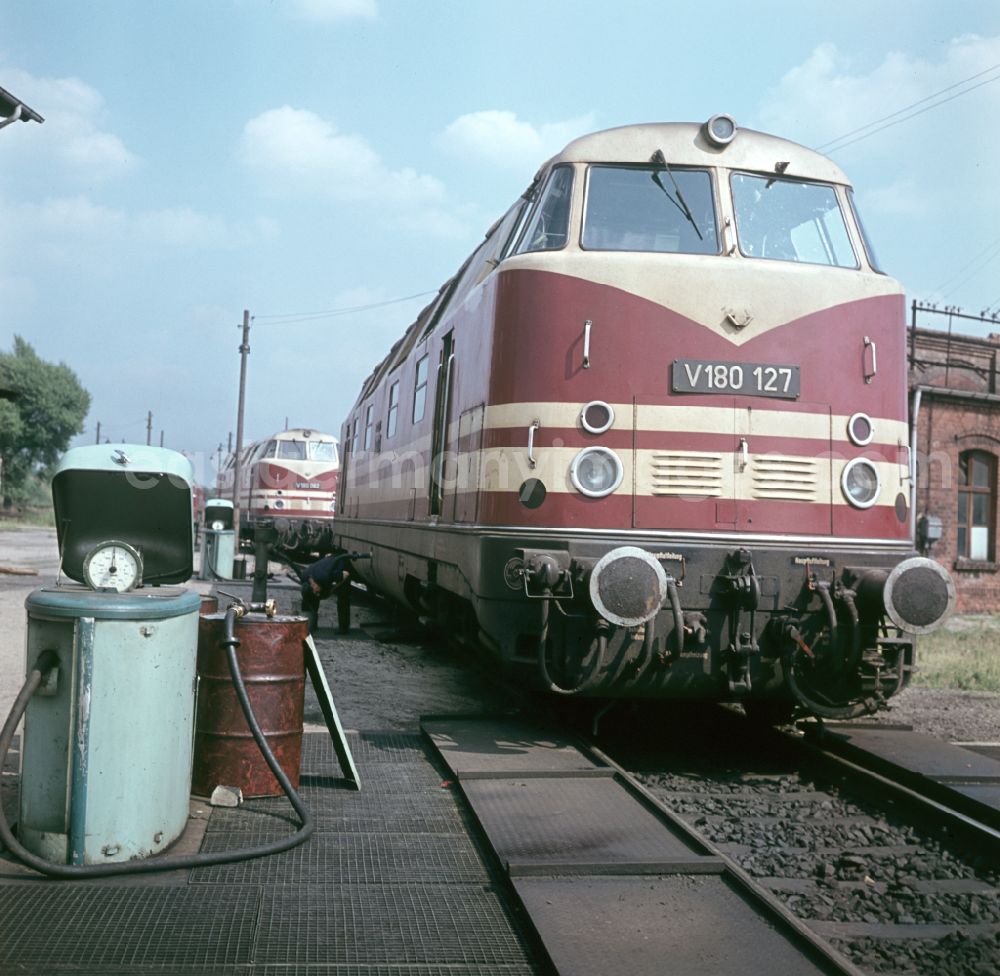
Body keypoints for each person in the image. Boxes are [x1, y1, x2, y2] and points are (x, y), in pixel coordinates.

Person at [299, 552, 352, 635]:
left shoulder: (327, 576)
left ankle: (344, 628)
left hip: (342, 564)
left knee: (343, 597)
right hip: (327, 565)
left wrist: (332, 588)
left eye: (316, 592)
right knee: (310, 597)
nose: (319, 595)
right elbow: (310, 595)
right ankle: (311, 624)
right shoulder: (304, 577)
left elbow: (346, 574)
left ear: (313, 586)